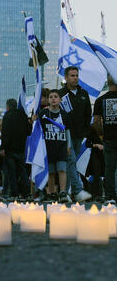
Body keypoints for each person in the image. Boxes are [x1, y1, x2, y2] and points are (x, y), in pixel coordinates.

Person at [59, 67, 92, 202]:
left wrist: (85, 131)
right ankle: (78, 191)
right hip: (66, 133)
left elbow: (88, 114)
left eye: (77, 75)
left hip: (79, 134)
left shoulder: (84, 93)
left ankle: (65, 193)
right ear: (66, 78)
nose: (75, 78)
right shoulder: (60, 94)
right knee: (71, 160)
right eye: (72, 75)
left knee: (70, 164)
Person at [37, 90, 72, 203]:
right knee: (51, 171)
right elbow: (38, 129)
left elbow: (68, 131)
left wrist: (69, 146)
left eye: (55, 97)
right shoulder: (43, 113)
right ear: (48, 100)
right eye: (51, 97)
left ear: (60, 100)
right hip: (48, 146)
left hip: (61, 145)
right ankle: (51, 192)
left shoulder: (64, 114)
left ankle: (62, 192)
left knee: (62, 169)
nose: (53, 99)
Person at [0, 98, 31, 201]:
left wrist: (3, 147)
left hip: (10, 150)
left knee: (11, 173)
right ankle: (27, 193)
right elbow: (28, 131)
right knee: (23, 172)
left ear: (7, 106)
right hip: (21, 149)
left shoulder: (7, 116)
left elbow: (5, 133)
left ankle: (14, 194)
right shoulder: (23, 115)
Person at [93, 74, 117, 205]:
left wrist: (102, 134)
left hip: (108, 139)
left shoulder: (100, 100)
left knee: (109, 168)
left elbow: (96, 122)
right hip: (109, 139)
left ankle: (110, 196)